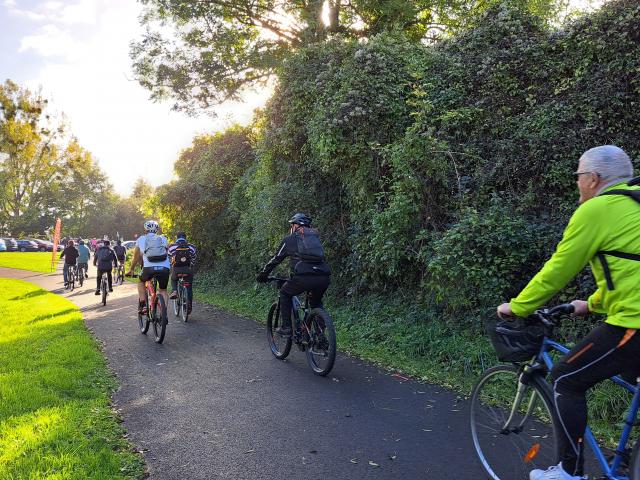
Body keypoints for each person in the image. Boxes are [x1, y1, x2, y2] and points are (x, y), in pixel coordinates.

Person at [497, 146, 640, 480]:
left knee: (565, 378)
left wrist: (517, 306)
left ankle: (567, 472)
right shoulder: (634, 204)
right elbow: (629, 268)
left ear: (593, 178)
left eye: (578, 176)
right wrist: (590, 304)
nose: (577, 183)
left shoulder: (599, 210)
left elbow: (557, 270)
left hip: (634, 324)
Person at [256, 213, 331, 337]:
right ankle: (320, 334)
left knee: (285, 293)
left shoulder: (289, 239)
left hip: (302, 277)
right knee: (316, 302)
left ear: (295, 226)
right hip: (323, 277)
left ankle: (286, 327)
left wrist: (262, 275)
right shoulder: (315, 238)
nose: (291, 227)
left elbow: (275, 259)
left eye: (291, 225)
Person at [126, 220, 170, 315]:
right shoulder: (163, 238)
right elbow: (167, 252)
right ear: (157, 229)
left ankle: (143, 305)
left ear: (145, 229)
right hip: (164, 268)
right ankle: (163, 314)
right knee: (163, 290)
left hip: (149, 268)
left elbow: (136, 257)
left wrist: (131, 269)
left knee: (141, 281)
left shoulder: (141, 239)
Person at [168, 232, 197, 314]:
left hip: (176, 270)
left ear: (176, 238)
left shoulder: (172, 247)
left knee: (173, 279)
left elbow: (169, 258)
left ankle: (174, 291)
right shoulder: (192, 247)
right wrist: (190, 266)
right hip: (188, 270)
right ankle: (189, 306)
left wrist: (172, 266)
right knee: (189, 287)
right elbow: (194, 259)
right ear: (185, 238)